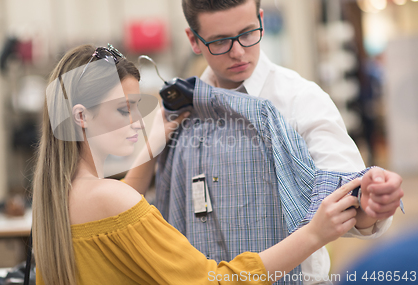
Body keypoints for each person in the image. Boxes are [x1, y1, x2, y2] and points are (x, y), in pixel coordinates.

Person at [155, 0, 404, 284]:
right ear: (193, 40)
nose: (238, 52)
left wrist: (369, 207)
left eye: (247, 34)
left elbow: (348, 197)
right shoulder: (181, 112)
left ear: (260, 19)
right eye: (219, 41)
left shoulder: (300, 100)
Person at [32, 44, 365, 285]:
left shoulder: (57, 199)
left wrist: (147, 153)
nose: (139, 121)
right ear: (81, 116)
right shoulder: (111, 199)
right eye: (124, 110)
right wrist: (313, 234)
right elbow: (214, 282)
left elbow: (114, 219)